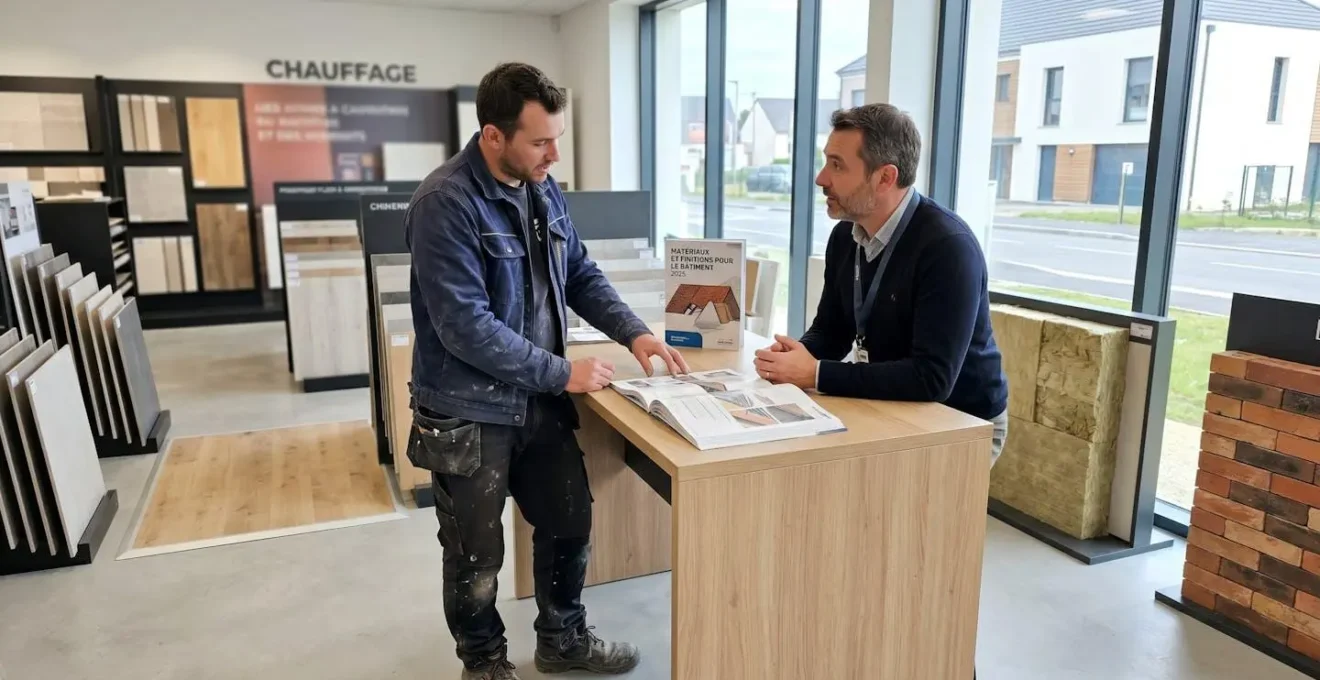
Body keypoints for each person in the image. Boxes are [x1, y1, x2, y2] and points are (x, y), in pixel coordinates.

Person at [404, 62, 688, 680]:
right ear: (493, 136)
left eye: (556, 138)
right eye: (540, 141)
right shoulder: (443, 203)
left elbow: (579, 274)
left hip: (536, 403)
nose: (554, 154)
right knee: (475, 557)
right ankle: (483, 664)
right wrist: (562, 373)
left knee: (569, 525)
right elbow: (465, 327)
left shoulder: (543, 188)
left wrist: (634, 333)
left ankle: (563, 640)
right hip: (469, 410)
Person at [753, 103, 1009, 463]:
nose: (821, 178)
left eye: (837, 165)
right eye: (826, 161)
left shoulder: (948, 247)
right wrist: (798, 355)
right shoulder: (845, 237)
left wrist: (816, 372)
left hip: (962, 421)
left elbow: (932, 378)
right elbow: (832, 330)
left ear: (885, 178)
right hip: (894, 403)